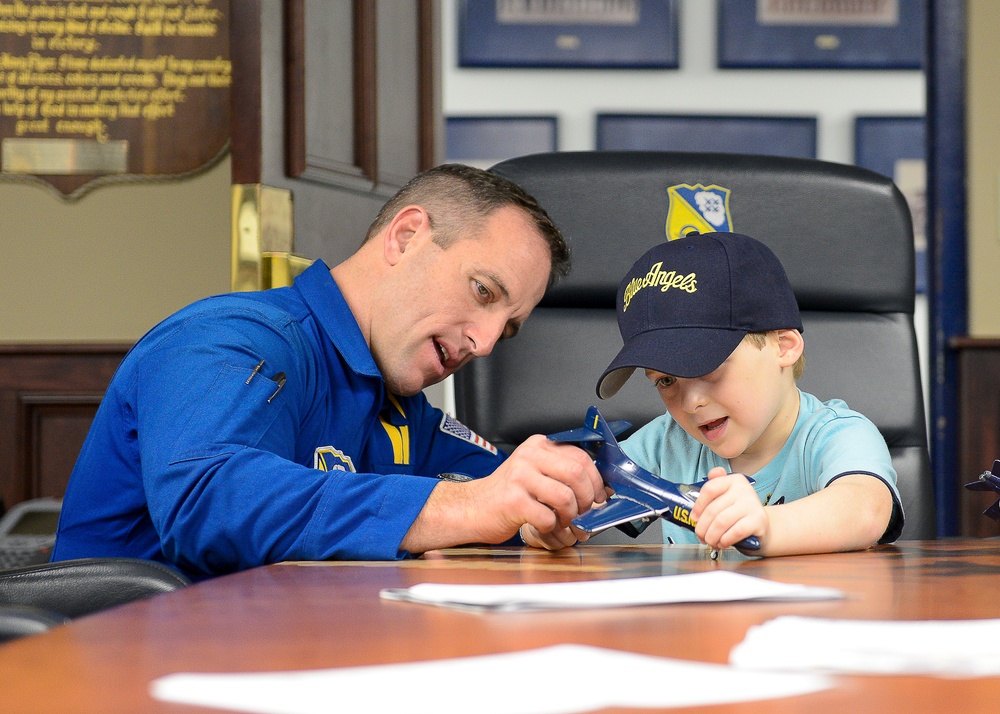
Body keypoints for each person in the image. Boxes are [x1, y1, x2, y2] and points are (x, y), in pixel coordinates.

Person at [52, 164, 605, 579]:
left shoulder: (397, 402)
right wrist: (464, 507)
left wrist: (538, 509)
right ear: (406, 237)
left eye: (505, 330)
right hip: (134, 672)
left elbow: (497, 485)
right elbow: (208, 498)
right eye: (483, 291)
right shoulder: (229, 338)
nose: (483, 343)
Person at [588, 231, 903, 556]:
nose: (690, 402)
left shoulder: (835, 435)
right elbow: (582, 494)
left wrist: (766, 526)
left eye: (708, 367)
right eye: (666, 381)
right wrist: (545, 520)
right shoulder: (666, 442)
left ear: (783, 345)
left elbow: (866, 510)